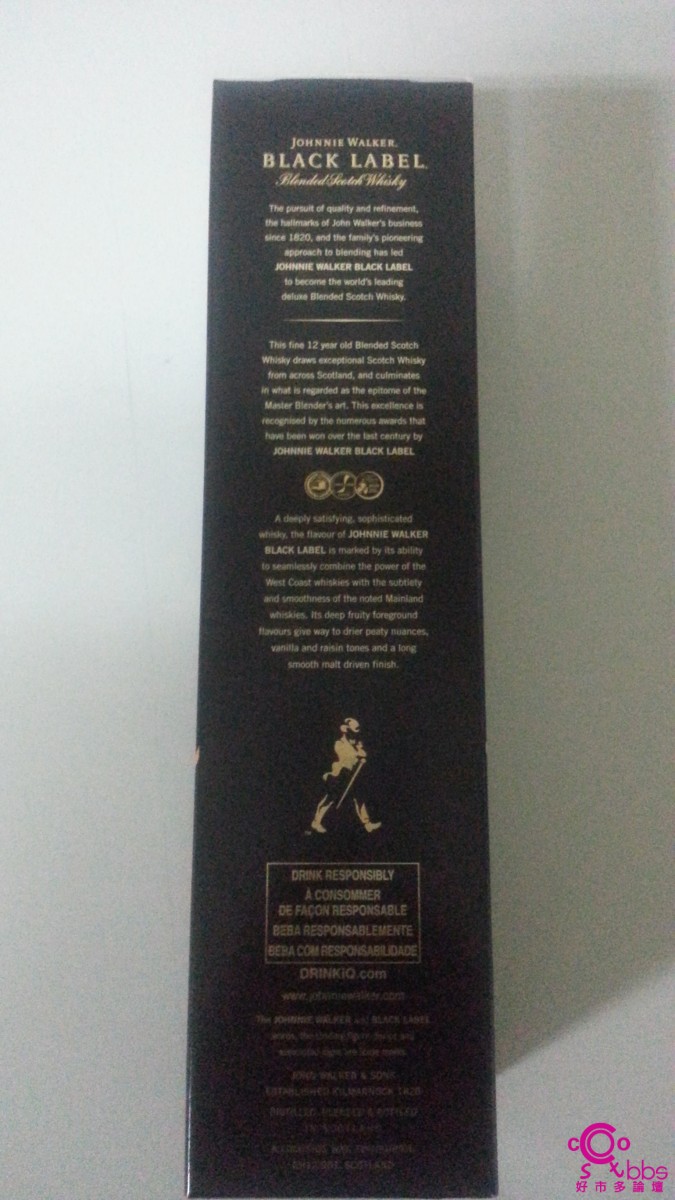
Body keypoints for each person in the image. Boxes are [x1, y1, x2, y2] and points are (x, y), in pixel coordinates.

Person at [309, 718, 381, 834]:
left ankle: (367, 824)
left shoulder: (356, 743)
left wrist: (360, 751)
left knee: (359, 798)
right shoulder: (339, 743)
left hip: (351, 776)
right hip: (338, 776)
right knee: (330, 799)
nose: (355, 734)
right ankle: (316, 822)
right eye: (352, 731)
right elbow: (346, 757)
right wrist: (358, 754)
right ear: (346, 731)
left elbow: (363, 753)